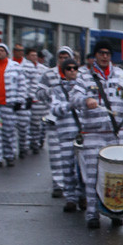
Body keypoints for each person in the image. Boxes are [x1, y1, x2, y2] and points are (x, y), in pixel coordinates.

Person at [69, 39, 123, 229]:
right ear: (95, 56)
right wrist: (86, 100)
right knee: (93, 176)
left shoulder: (121, 75)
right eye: (101, 53)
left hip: (117, 134)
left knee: (119, 175)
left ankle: (117, 211)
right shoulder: (84, 77)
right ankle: (92, 214)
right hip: (93, 134)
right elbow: (73, 98)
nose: (105, 57)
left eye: (107, 53)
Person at [49, 58, 85, 212]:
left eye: (75, 68)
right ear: (63, 71)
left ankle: (82, 196)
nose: (72, 71)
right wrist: (70, 104)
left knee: (82, 168)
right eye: (69, 68)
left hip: (81, 134)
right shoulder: (57, 89)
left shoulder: (84, 87)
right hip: (65, 133)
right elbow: (55, 110)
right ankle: (70, 198)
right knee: (68, 168)